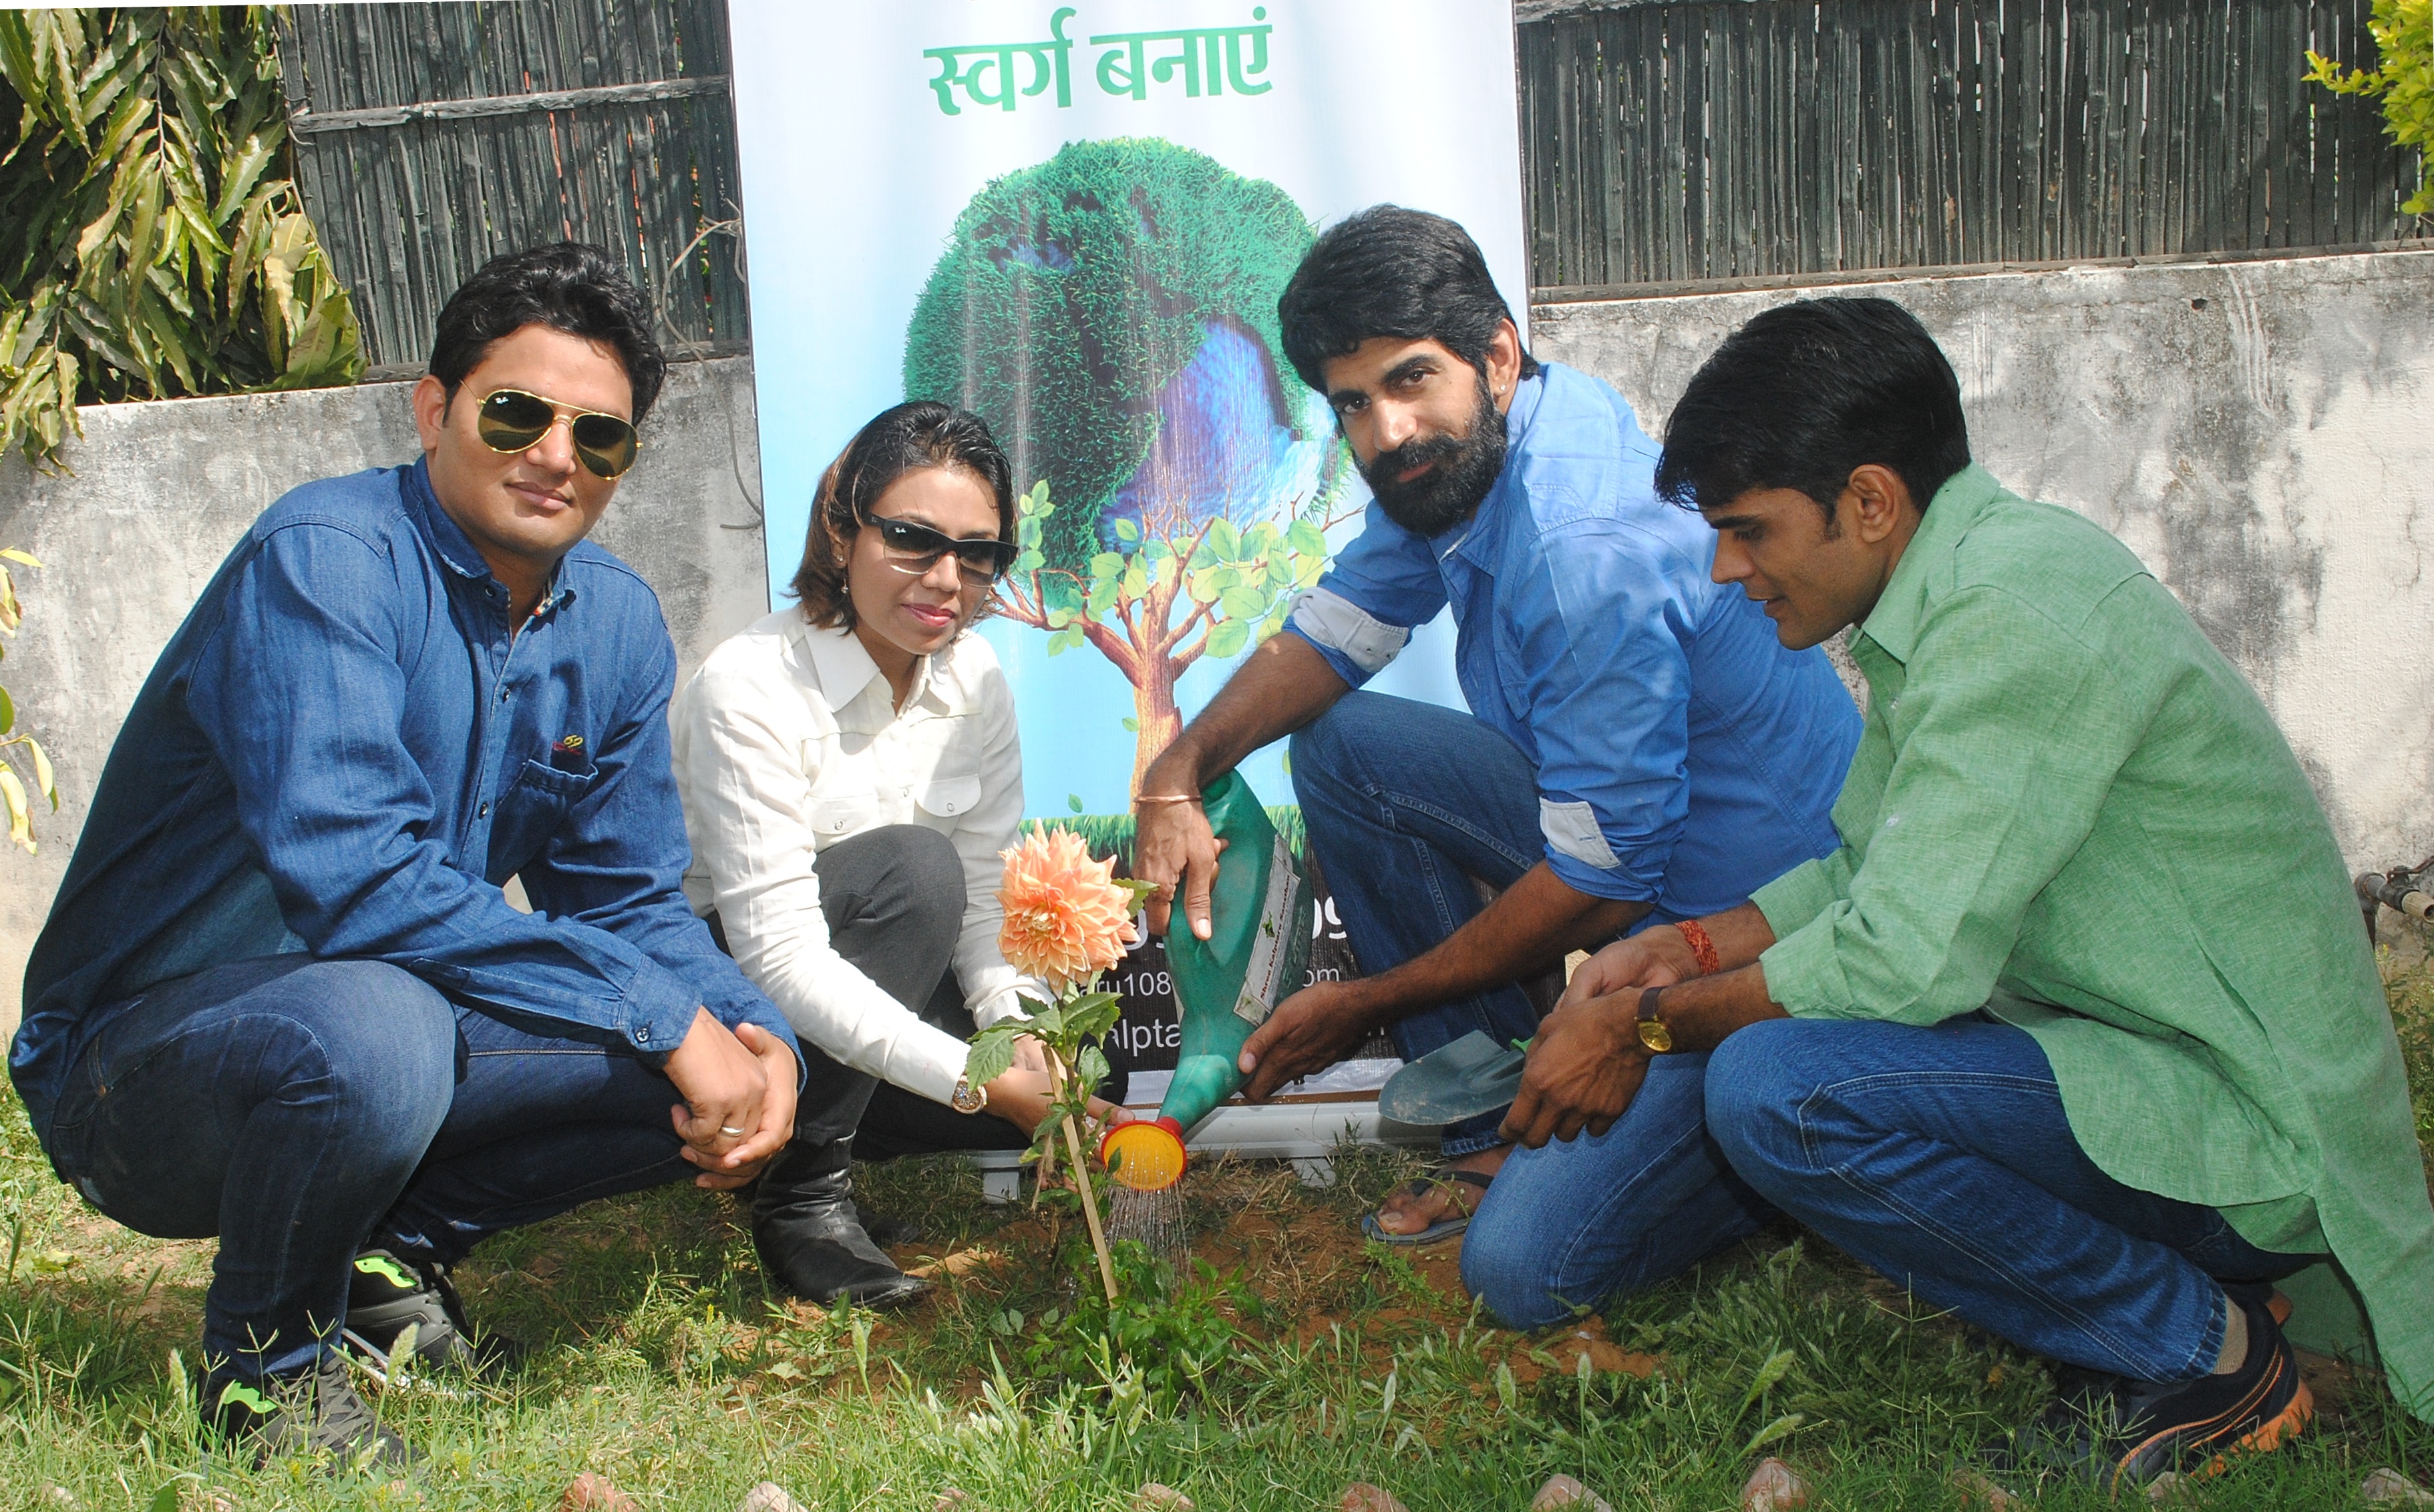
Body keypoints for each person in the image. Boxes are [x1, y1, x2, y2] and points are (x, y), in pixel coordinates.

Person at [1533, 296, 2434, 1491]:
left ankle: (2201, 1354)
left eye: (1748, 531)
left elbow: (1900, 961)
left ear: (1869, 501)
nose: (1726, 569)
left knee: (1780, 1092)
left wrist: (1639, 1026)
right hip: (2142, 1068)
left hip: (2251, 1129)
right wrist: (1687, 948)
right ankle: (2195, 1307)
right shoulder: (1957, 593)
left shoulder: (2013, 613)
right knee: (1777, 1068)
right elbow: (1867, 869)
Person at [9, 244, 802, 1469]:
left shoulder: (615, 624)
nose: (557, 456)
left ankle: (384, 1263)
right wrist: (660, 1011)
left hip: (387, 1024)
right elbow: (360, 884)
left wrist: (760, 1042)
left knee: (707, 1064)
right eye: (518, 413)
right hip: (141, 1071)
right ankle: (267, 1380)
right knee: (382, 1028)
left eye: (600, 437)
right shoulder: (327, 558)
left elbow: (633, 902)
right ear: (435, 410)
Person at [1131, 206, 1861, 1314]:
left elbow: (1601, 883)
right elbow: (1337, 631)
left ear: (1499, 356)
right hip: (1638, 859)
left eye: (1411, 380)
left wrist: (1368, 1001)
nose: (1386, 431)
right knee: (1348, 746)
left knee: (1526, 1268)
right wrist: (1175, 770)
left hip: (1760, 930)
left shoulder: (1583, 557)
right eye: (1353, 404)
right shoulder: (1475, 456)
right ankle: (1487, 1122)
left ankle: (1753, 1141)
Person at [672, 400, 1125, 1310]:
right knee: (915, 871)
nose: (948, 580)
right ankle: (800, 1195)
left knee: (1079, 1056)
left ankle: (832, 1127)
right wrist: (977, 1083)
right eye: (913, 540)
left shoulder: (976, 677)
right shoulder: (749, 687)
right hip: (737, 1004)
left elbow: (987, 901)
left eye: (979, 554)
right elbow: (780, 957)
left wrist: (1019, 1038)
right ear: (843, 534)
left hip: (870, 980)